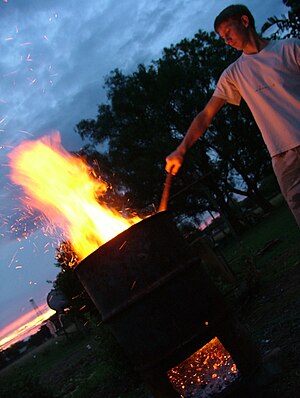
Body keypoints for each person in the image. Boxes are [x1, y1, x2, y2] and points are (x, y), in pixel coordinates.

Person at [165, 4, 300, 227]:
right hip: (283, 157)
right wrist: (181, 149)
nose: (226, 40)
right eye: (222, 38)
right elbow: (206, 115)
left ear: (245, 22)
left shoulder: (290, 48)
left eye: (228, 33)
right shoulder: (233, 74)